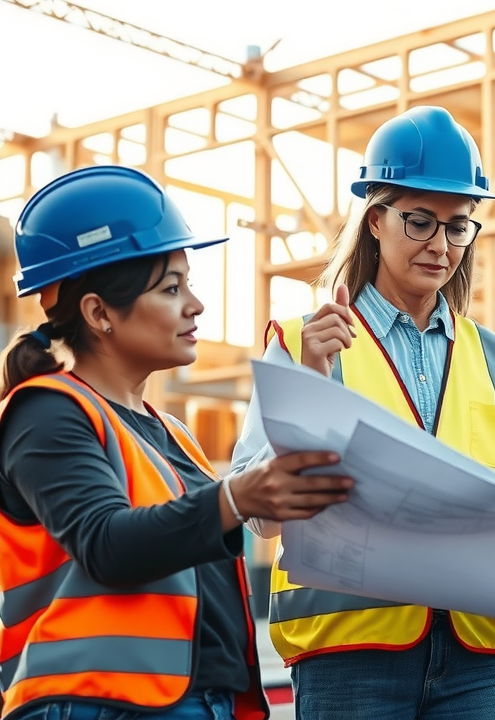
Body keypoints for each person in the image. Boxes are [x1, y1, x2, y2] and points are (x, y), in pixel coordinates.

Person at [229, 106, 495, 720]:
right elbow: (259, 519)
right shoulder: (305, 344)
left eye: (458, 227)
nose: (440, 245)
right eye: (420, 221)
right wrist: (308, 385)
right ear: (375, 220)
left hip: (478, 664)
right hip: (354, 659)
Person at [0, 166, 352, 720]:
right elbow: (106, 543)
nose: (196, 305)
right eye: (171, 288)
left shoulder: (171, 435)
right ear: (98, 313)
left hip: (196, 702)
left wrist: (310, 386)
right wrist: (236, 499)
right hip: (96, 705)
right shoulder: (46, 413)